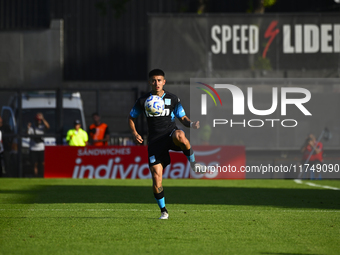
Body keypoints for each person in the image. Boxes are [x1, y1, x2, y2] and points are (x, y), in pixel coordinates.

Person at [128, 69, 206, 220]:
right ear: (149, 82)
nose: (156, 83)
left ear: (164, 82)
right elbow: (131, 117)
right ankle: (163, 210)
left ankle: (194, 164)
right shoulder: (143, 100)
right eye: (153, 80)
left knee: (181, 135)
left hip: (170, 134)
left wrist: (191, 124)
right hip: (155, 142)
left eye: (159, 80)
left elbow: (182, 117)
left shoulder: (172, 99)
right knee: (156, 178)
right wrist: (135, 133)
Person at [27, 113, 50, 177]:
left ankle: (42, 175)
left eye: (39, 120)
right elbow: (27, 134)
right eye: (37, 120)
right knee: (35, 164)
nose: (38, 121)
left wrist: (43, 119)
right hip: (33, 149)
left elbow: (48, 127)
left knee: (43, 163)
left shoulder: (42, 127)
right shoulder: (31, 128)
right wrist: (28, 128)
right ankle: (36, 176)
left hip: (41, 148)